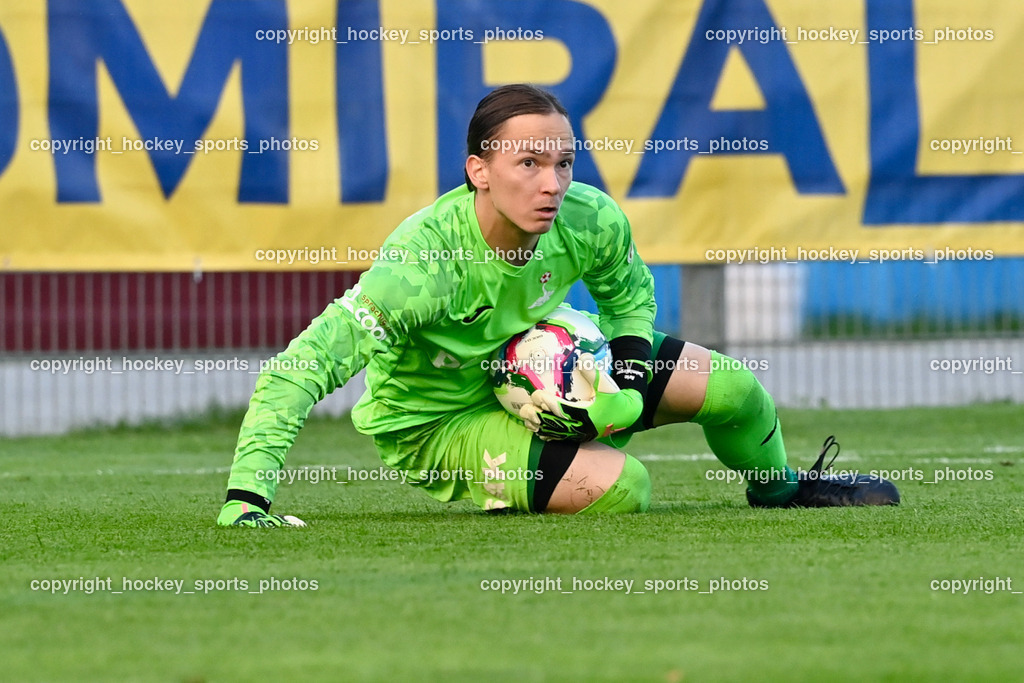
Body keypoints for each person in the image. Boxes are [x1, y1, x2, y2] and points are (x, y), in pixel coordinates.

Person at [217, 84, 899, 526]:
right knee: (624, 488)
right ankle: (517, 466)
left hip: (549, 356)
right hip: (439, 421)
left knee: (735, 391)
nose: (554, 182)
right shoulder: (421, 265)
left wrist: (626, 375)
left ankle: (779, 489)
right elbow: (297, 369)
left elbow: (628, 298)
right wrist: (247, 498)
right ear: (478, 170)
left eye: (564, 162)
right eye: (530, 164)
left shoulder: (588, 217)